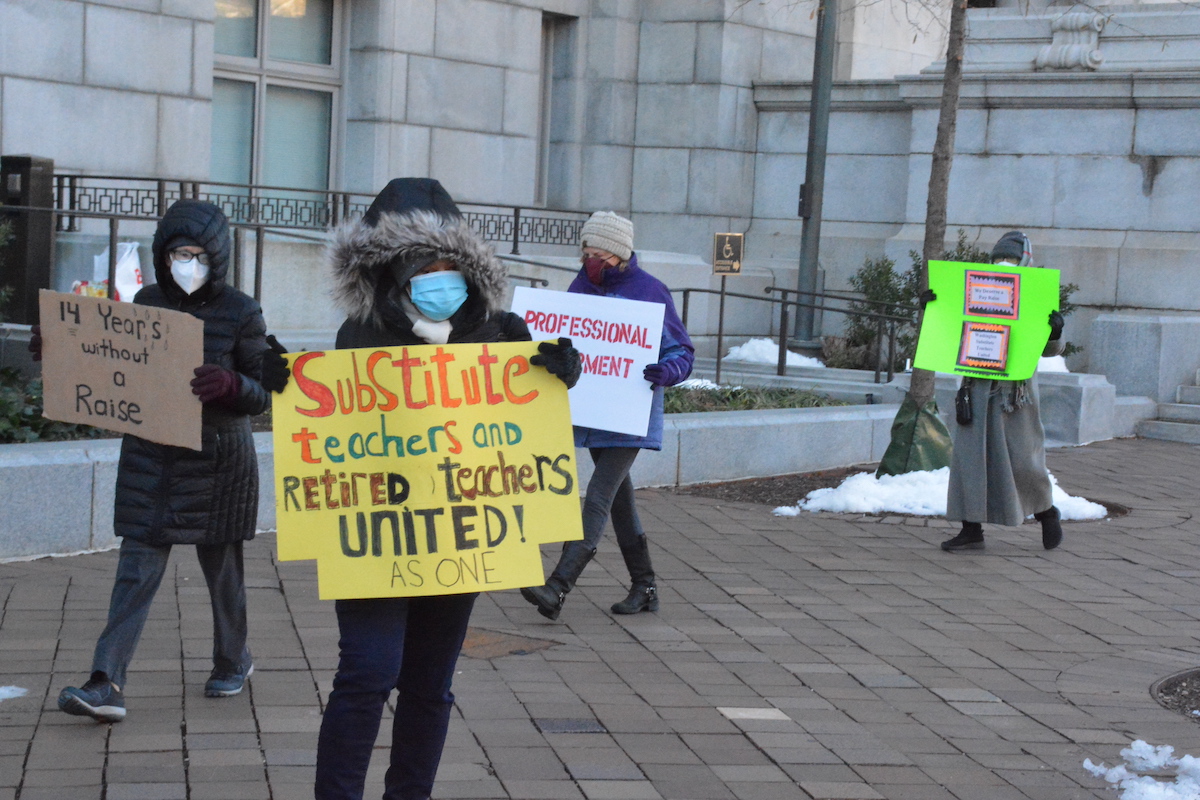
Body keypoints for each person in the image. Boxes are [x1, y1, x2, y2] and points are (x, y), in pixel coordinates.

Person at [260, 178, 580, 800]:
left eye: (449, 268)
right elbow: (331, 422)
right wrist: (281, 382)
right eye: (422, 269)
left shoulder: (496, 331)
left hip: (458, 541)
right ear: (391, 273)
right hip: (378, 541)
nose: (440, 282)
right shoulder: (360, 335)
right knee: (366, 673)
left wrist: (563, 367)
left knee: (430, 685)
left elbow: (538, 387)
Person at [49, 200, 270, 722]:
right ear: (161, 257)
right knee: (136, 569)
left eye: (196, 254)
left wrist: (233, 384)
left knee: (222, 574)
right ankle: (106, 680)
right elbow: (112, 365)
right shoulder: (146, 301)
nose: (186, 264)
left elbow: (267, 389)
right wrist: (63, 351)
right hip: (154, 462)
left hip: (217, 466)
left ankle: (233, 659)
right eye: (176, 254)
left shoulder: (242, 311)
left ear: (216, 255)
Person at [521, 211, 694, 620]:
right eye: (586, 252)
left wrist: (667, 371)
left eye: (599, 253)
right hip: (593, 411)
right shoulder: (581, 285)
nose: (590, 260)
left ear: (619, 254)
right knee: (619, 501)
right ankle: (645, 585)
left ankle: (558, 587)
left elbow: (682, 352)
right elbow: (561, 338)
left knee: (598, 495)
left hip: (630, 413)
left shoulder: (651, 291)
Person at [940, 230, 1066, 552]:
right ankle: (971, 529)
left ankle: (1047, 512)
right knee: (970, 460)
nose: (1004, 264)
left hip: (1015, 394)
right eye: (999, 259)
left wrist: (1055, 330)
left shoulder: (1035, 290)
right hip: (976, 386)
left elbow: (1050, 350)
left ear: (1025, 260)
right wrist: (933, 305)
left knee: (1023, 459)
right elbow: (951, 323)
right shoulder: (977, 288)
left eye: (1010, 258)